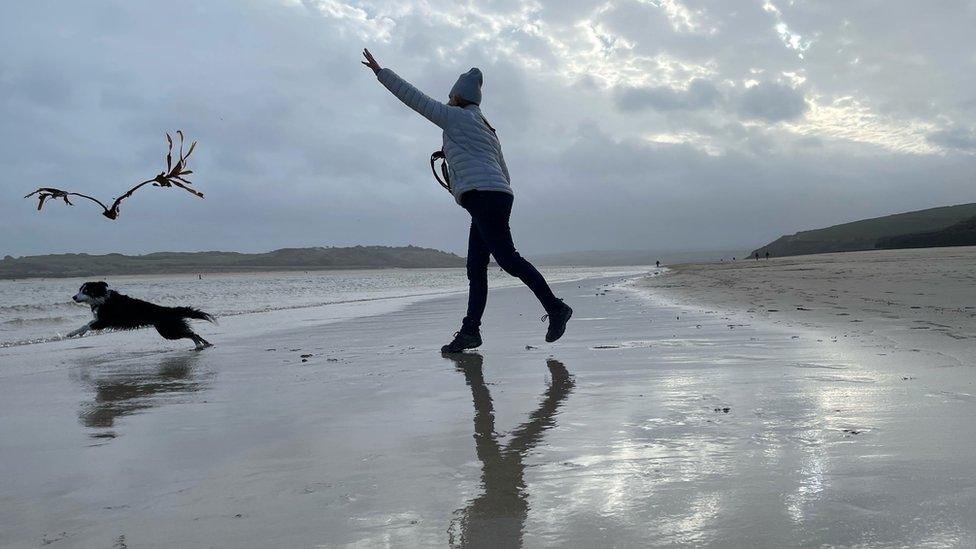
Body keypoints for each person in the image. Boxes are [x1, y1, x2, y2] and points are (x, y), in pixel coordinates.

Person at [361, 49, 572, 353]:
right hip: (494, 196)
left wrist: (381, 72)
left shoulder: (455, 117)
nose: (447, 101)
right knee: (476, 267)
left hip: (483, 197)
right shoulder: (487, 128)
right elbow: (504, 170)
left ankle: (555, 308)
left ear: (458, 97)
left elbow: (414, 98)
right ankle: (470, 331)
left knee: (508, 259)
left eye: (450, 97)